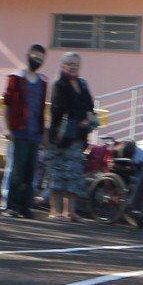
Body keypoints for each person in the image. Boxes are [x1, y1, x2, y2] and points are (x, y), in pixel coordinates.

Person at [46, 51, 97, 222]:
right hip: (61, 135)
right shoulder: (58, 84)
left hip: (78, 136)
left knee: (75, 172)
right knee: (57, 172)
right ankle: (55, 210)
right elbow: (59, 108)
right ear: (63, 65)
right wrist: (79, 118)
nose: (73, 66)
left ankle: (70, 211)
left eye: (76, 63)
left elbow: (90, 105)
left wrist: (89, 118)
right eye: (69, 63)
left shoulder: (82, 84)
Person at [2, 44, 50, 219]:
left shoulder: (43, 82)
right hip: (19, 129)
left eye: (41, 58)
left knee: (31, 171)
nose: (37, 60)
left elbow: (42, 109)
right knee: (17, 170)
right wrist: (7, 127)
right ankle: (11, 205)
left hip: (35, 132)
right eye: (35, 56)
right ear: (28, 55)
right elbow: (6, 104)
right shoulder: (16, 78)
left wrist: (43, 133)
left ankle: (25, 206)